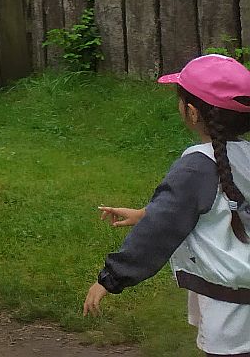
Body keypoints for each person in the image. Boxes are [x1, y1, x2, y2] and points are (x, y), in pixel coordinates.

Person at [84, 54, 250, 355]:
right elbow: (222, 209)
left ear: (191, 112)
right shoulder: (245, 157)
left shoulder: (198, 166)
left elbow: (159, 232)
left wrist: (111, 278)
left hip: (231, 306)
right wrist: (145, 214)